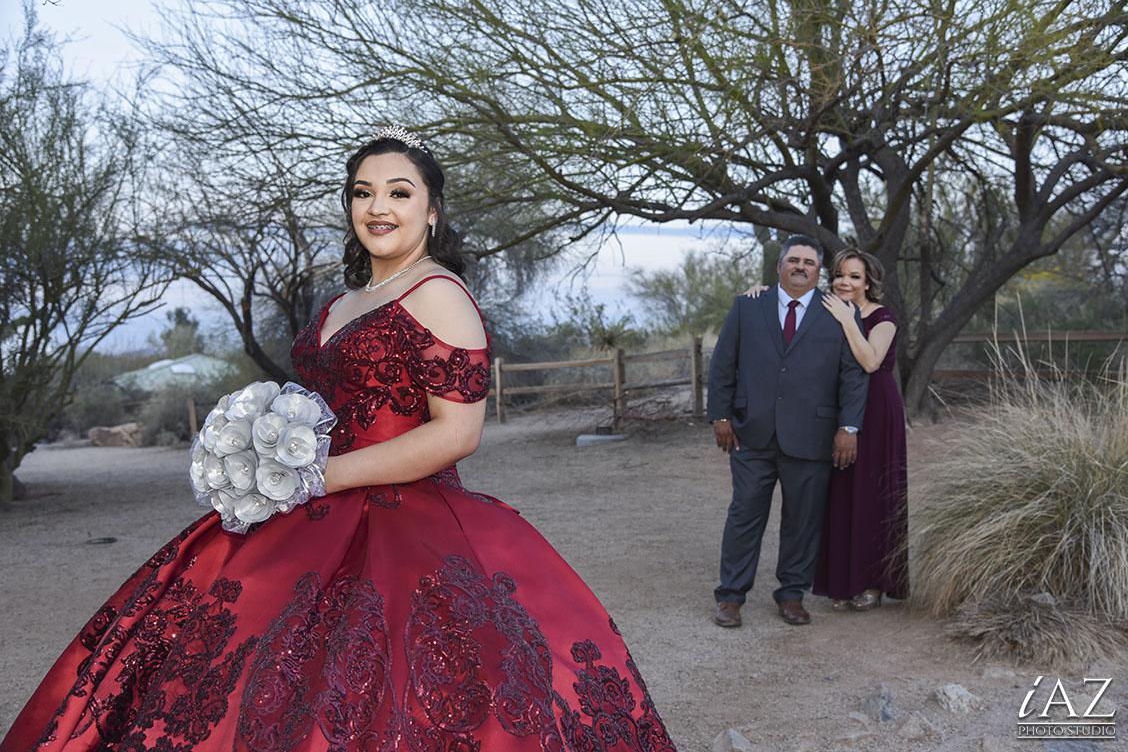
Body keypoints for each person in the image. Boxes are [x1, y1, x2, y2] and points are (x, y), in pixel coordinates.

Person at [1, 128, 677, 752]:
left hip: (400, 519)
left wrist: (319, 476)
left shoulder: (440, 291)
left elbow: (458, 431)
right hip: (308, 505)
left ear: (433, 210)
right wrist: (265, 450)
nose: (377, 206)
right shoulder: (343, 300)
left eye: (399, 192)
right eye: (363, 192)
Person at [707, 235, 868, 628]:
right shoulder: (748, 306)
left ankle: (792, 594)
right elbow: (723, 363)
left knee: (803, 520)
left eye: (809, 262)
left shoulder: (840, 311)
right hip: (752, 433)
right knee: (744, 514)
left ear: (818, 272)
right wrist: (720, 416)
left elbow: (853, 375)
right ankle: (731, 597)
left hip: (813, 435)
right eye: (793, 260)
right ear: (779, 266)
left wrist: (848, 427)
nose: (800, 266)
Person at [813, 249, 908, 611]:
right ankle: (842, 579)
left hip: (878, 410)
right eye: (839, 275)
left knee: (875, 493)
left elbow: (871, 361)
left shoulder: (883, 318)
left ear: (868, 283)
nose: (844, 282)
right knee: (840, 491)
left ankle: (875, 582)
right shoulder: (827, 309)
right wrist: (758, 293)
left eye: (854, 276)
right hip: (837, 407)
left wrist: (849, 319)